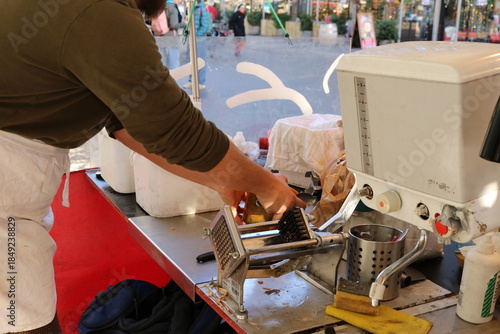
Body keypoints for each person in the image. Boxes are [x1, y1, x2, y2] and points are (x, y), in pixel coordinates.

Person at [0, 1, 304, 333]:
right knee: (22, 320)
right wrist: (269, 186)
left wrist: (221, 181)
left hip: (15, 195)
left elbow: (126, 124)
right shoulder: (99, 10)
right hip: (7, 198)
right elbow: (176, 128)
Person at [183, 0, 209, 90]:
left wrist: (196, 35)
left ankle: (201, 82)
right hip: (191, 39)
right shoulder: (190, 7)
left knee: (200, 60)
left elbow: (204, 26)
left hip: (199, 39)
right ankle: (191, 81)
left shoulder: (201, 8)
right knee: (190, 60)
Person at [159, 0, 186, 69]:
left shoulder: (160, 7)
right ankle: (172, 79)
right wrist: (183, 23)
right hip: (171, 38)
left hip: (160, 37)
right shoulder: (172, 8)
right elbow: (174, 25)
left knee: (164, 62)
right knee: (173, 63)